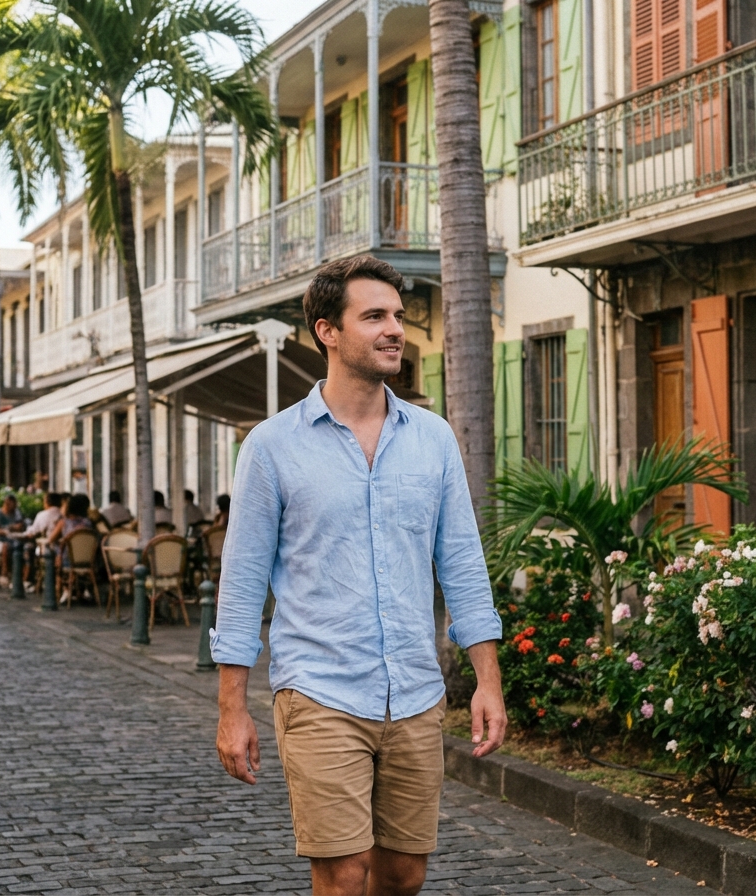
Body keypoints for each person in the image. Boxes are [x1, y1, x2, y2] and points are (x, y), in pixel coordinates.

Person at [212, 255, 506, 896]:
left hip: (415, 692)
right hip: (319, 691)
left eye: (397, 316)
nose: (394, 329)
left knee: (403, 874)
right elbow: (241, 583)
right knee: (344, 875)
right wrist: (232, 707)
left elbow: (461, 564)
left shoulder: (433, 440)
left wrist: (488, 680)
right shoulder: (272, 446)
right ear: (327, 331)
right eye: (374, 316)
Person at [51, 493, 93, 604]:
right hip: (88, 560)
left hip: (67, 560)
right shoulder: (88, 523)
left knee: (55, 550)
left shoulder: (64, 522)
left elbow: (51, 539)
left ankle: (66, 589)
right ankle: (81, 589)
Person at [21, 492, 63, 590]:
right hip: (63, 549)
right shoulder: (64, 515)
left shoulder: (43, 515)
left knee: (28, 548)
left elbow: (34, 531)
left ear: (47, 502)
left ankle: (28, 579)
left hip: (47, 548)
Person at [0, 493, 25, 578]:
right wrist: (5, 531)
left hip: (15, 539)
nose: (15, 507)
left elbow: (20, 526)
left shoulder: (16, 512)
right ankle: (4, 571)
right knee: (5, 547)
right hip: (1, 540)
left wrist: (9, 528)